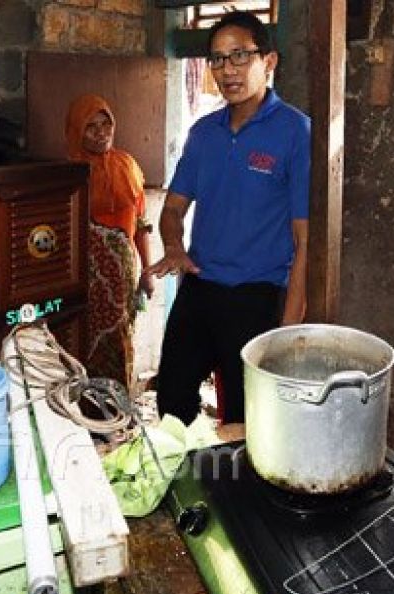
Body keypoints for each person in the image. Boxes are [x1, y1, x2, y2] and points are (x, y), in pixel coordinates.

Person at [145, 11, 310, 425]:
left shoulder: (296, 132)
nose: (226, 70)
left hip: (256, 296)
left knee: (245, 419)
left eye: (239, 56)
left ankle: (236, 489)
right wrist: (174, 246)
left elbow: (305, 240)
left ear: (269, 61)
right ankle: (178, 484)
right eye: (217, 59)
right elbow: (174, 208)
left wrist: (287, 329)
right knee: (172, 402)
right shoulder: (204, 133)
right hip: (199, 286)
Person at [65, 94, 154, 391]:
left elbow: (141, 224)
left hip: (123, 278)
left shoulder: (127, 166)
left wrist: (148, 271)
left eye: (106, 124)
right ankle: (86, 417)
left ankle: (118, 411)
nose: (102, 133)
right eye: (91, 127)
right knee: (84, 343)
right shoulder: (68, 173)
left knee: (121, 339)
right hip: (85, 280)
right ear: (77, 130)